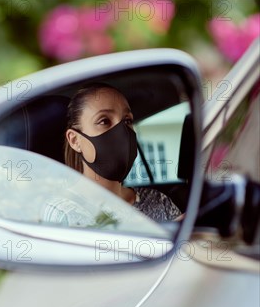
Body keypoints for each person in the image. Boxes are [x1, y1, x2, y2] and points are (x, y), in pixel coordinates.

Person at [64, 83, 182, 222]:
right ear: (75, 140)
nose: (122, 132)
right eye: (104, 121)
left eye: (127, 121)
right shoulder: (63, 211)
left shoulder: (156, 200)